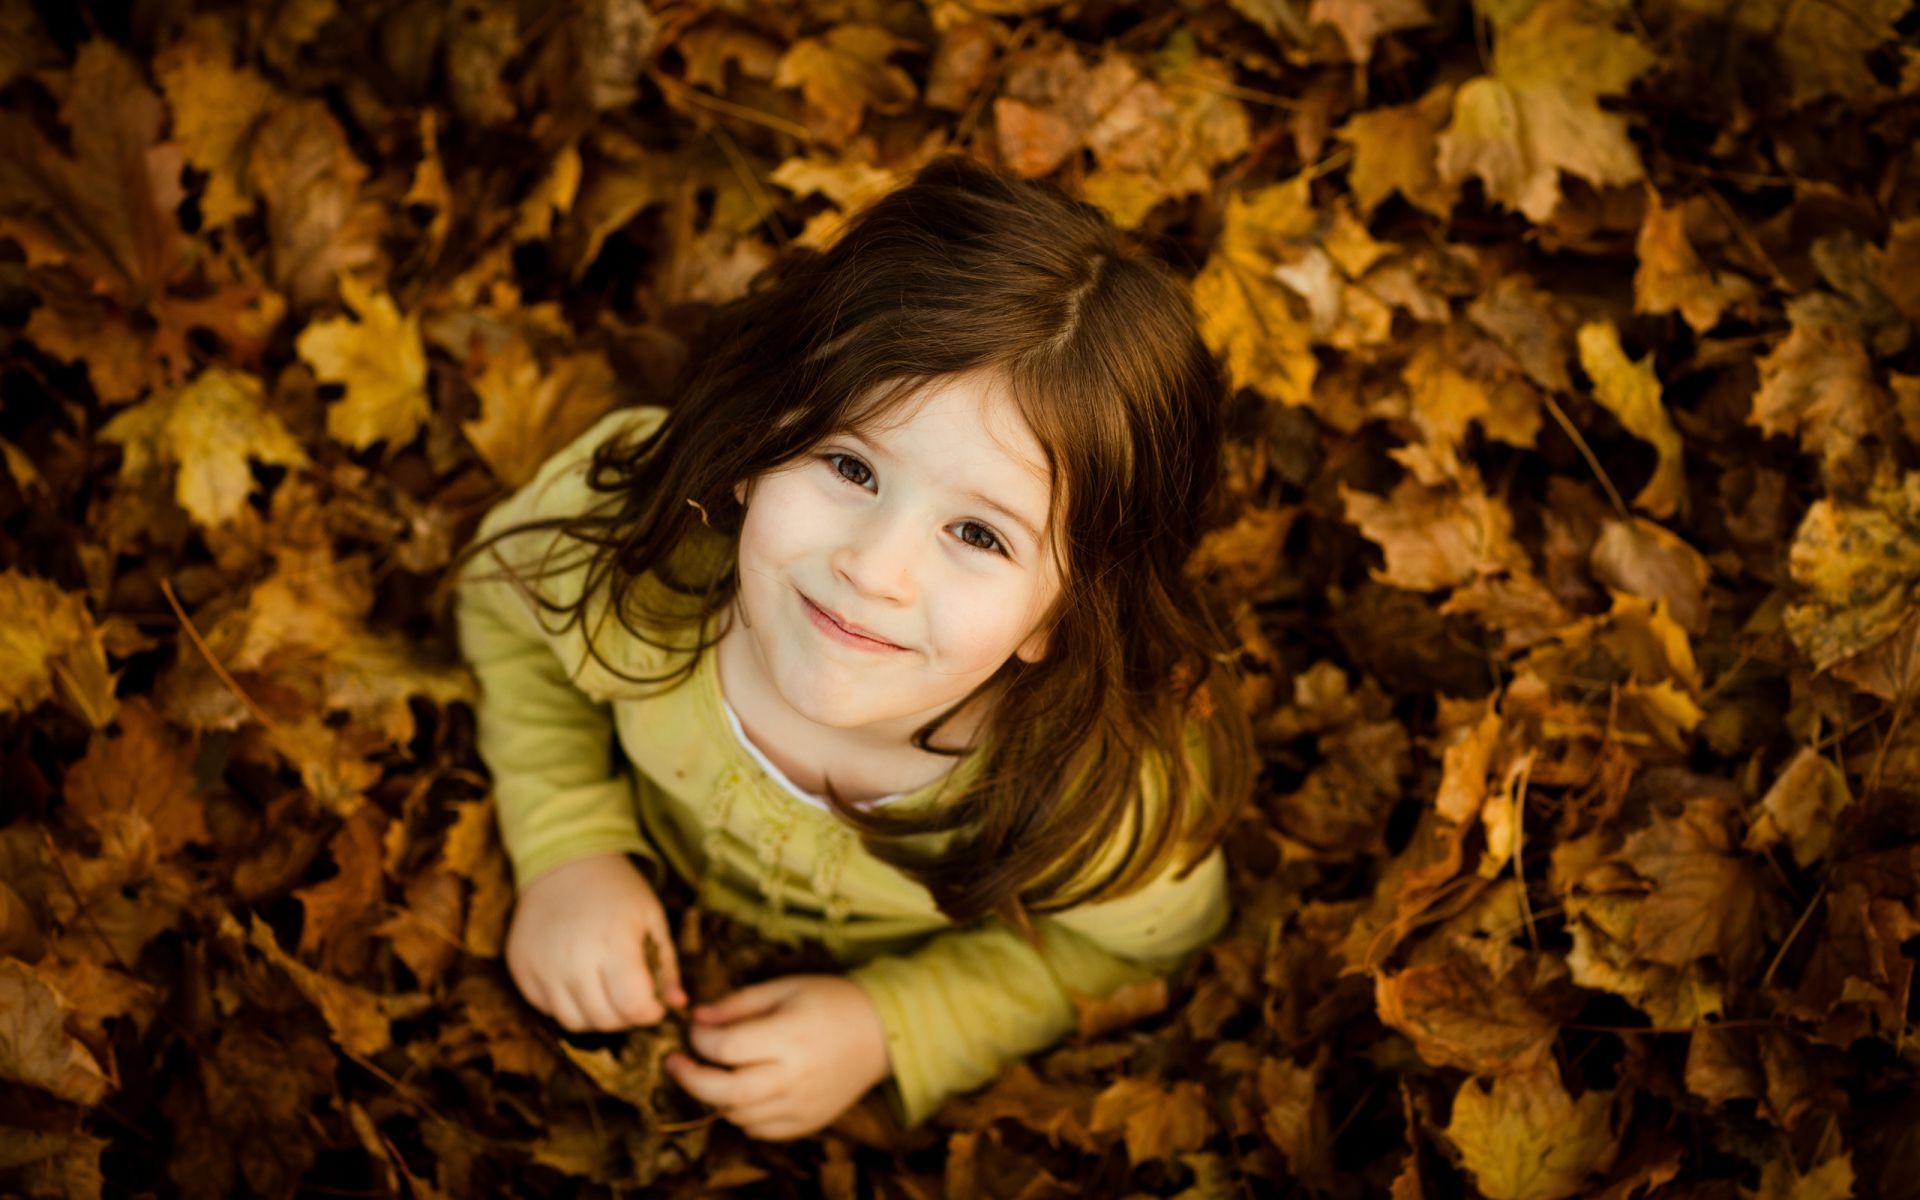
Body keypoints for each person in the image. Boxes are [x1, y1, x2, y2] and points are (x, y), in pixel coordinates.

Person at [449, 154, 1254, 1140]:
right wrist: (567, 841)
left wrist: (891, 1023)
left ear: (1061, 615)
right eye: (848, 464)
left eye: (979, 535)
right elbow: (507, 612)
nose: (875, 569)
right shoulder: (633, 552)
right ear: (761, 440)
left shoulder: (1096, 791)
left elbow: (1133, 952)